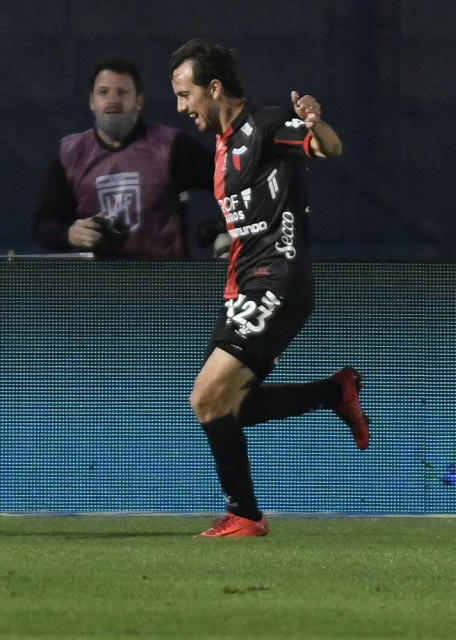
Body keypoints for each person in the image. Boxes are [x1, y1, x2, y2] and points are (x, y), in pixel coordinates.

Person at [169, 39, 370, 537]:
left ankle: (245, 516)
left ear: (214, 88)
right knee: (231, 407)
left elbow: (329, 148)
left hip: (276, 280)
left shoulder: (267, 123)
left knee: (205, 398)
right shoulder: (221, 142)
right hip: (243, 285)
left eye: (185, 93)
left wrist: (315, 121)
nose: (180, 106)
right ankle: (334, 392)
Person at [33, 57, 216, 258]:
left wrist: (224, 228)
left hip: (165, 280)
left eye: (122, 92)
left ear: (138, 101)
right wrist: (69, 234)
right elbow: (44, 226)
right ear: (92, 102)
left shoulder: (171, 147)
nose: (113, 100)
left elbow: (231, 182)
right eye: (104, 92)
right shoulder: (71, 154)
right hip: (97, 283)